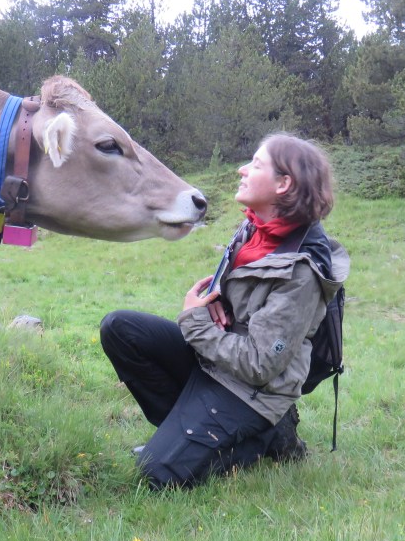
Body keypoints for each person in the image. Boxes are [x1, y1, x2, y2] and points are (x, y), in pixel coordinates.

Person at [99, 133, 349, 489]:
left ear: (283, 184)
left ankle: (263, 438)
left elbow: (260, 365)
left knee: (155, 475)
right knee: (121, 329)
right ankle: (185, 429)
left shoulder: (303, 271)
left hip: (252, 389)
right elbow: (240, 291)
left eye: (256, 164)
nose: (242, 169)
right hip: (214, 362)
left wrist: (196, 322)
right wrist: (216, 297)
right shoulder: (253, 228)